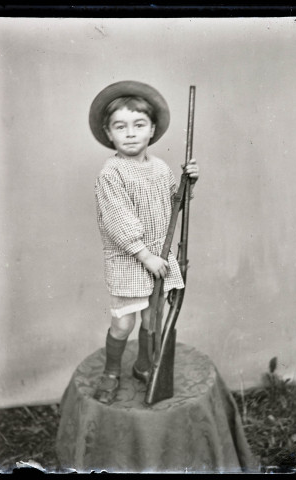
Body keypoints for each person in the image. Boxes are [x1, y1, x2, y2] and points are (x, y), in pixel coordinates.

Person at [89, 81, 199, 404]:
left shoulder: (161, 168)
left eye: (139, 125)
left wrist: (188, 182)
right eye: (120, 127)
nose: (131, 133)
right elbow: (118, 222)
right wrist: (144, 254)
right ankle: (111, 371)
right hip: (130, 259)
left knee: (152, 319)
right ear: (109, 134)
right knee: (124, 322)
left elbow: (176, 203)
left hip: (159, 258)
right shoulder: (111, 174)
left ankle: (142, 365)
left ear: (152, 129)